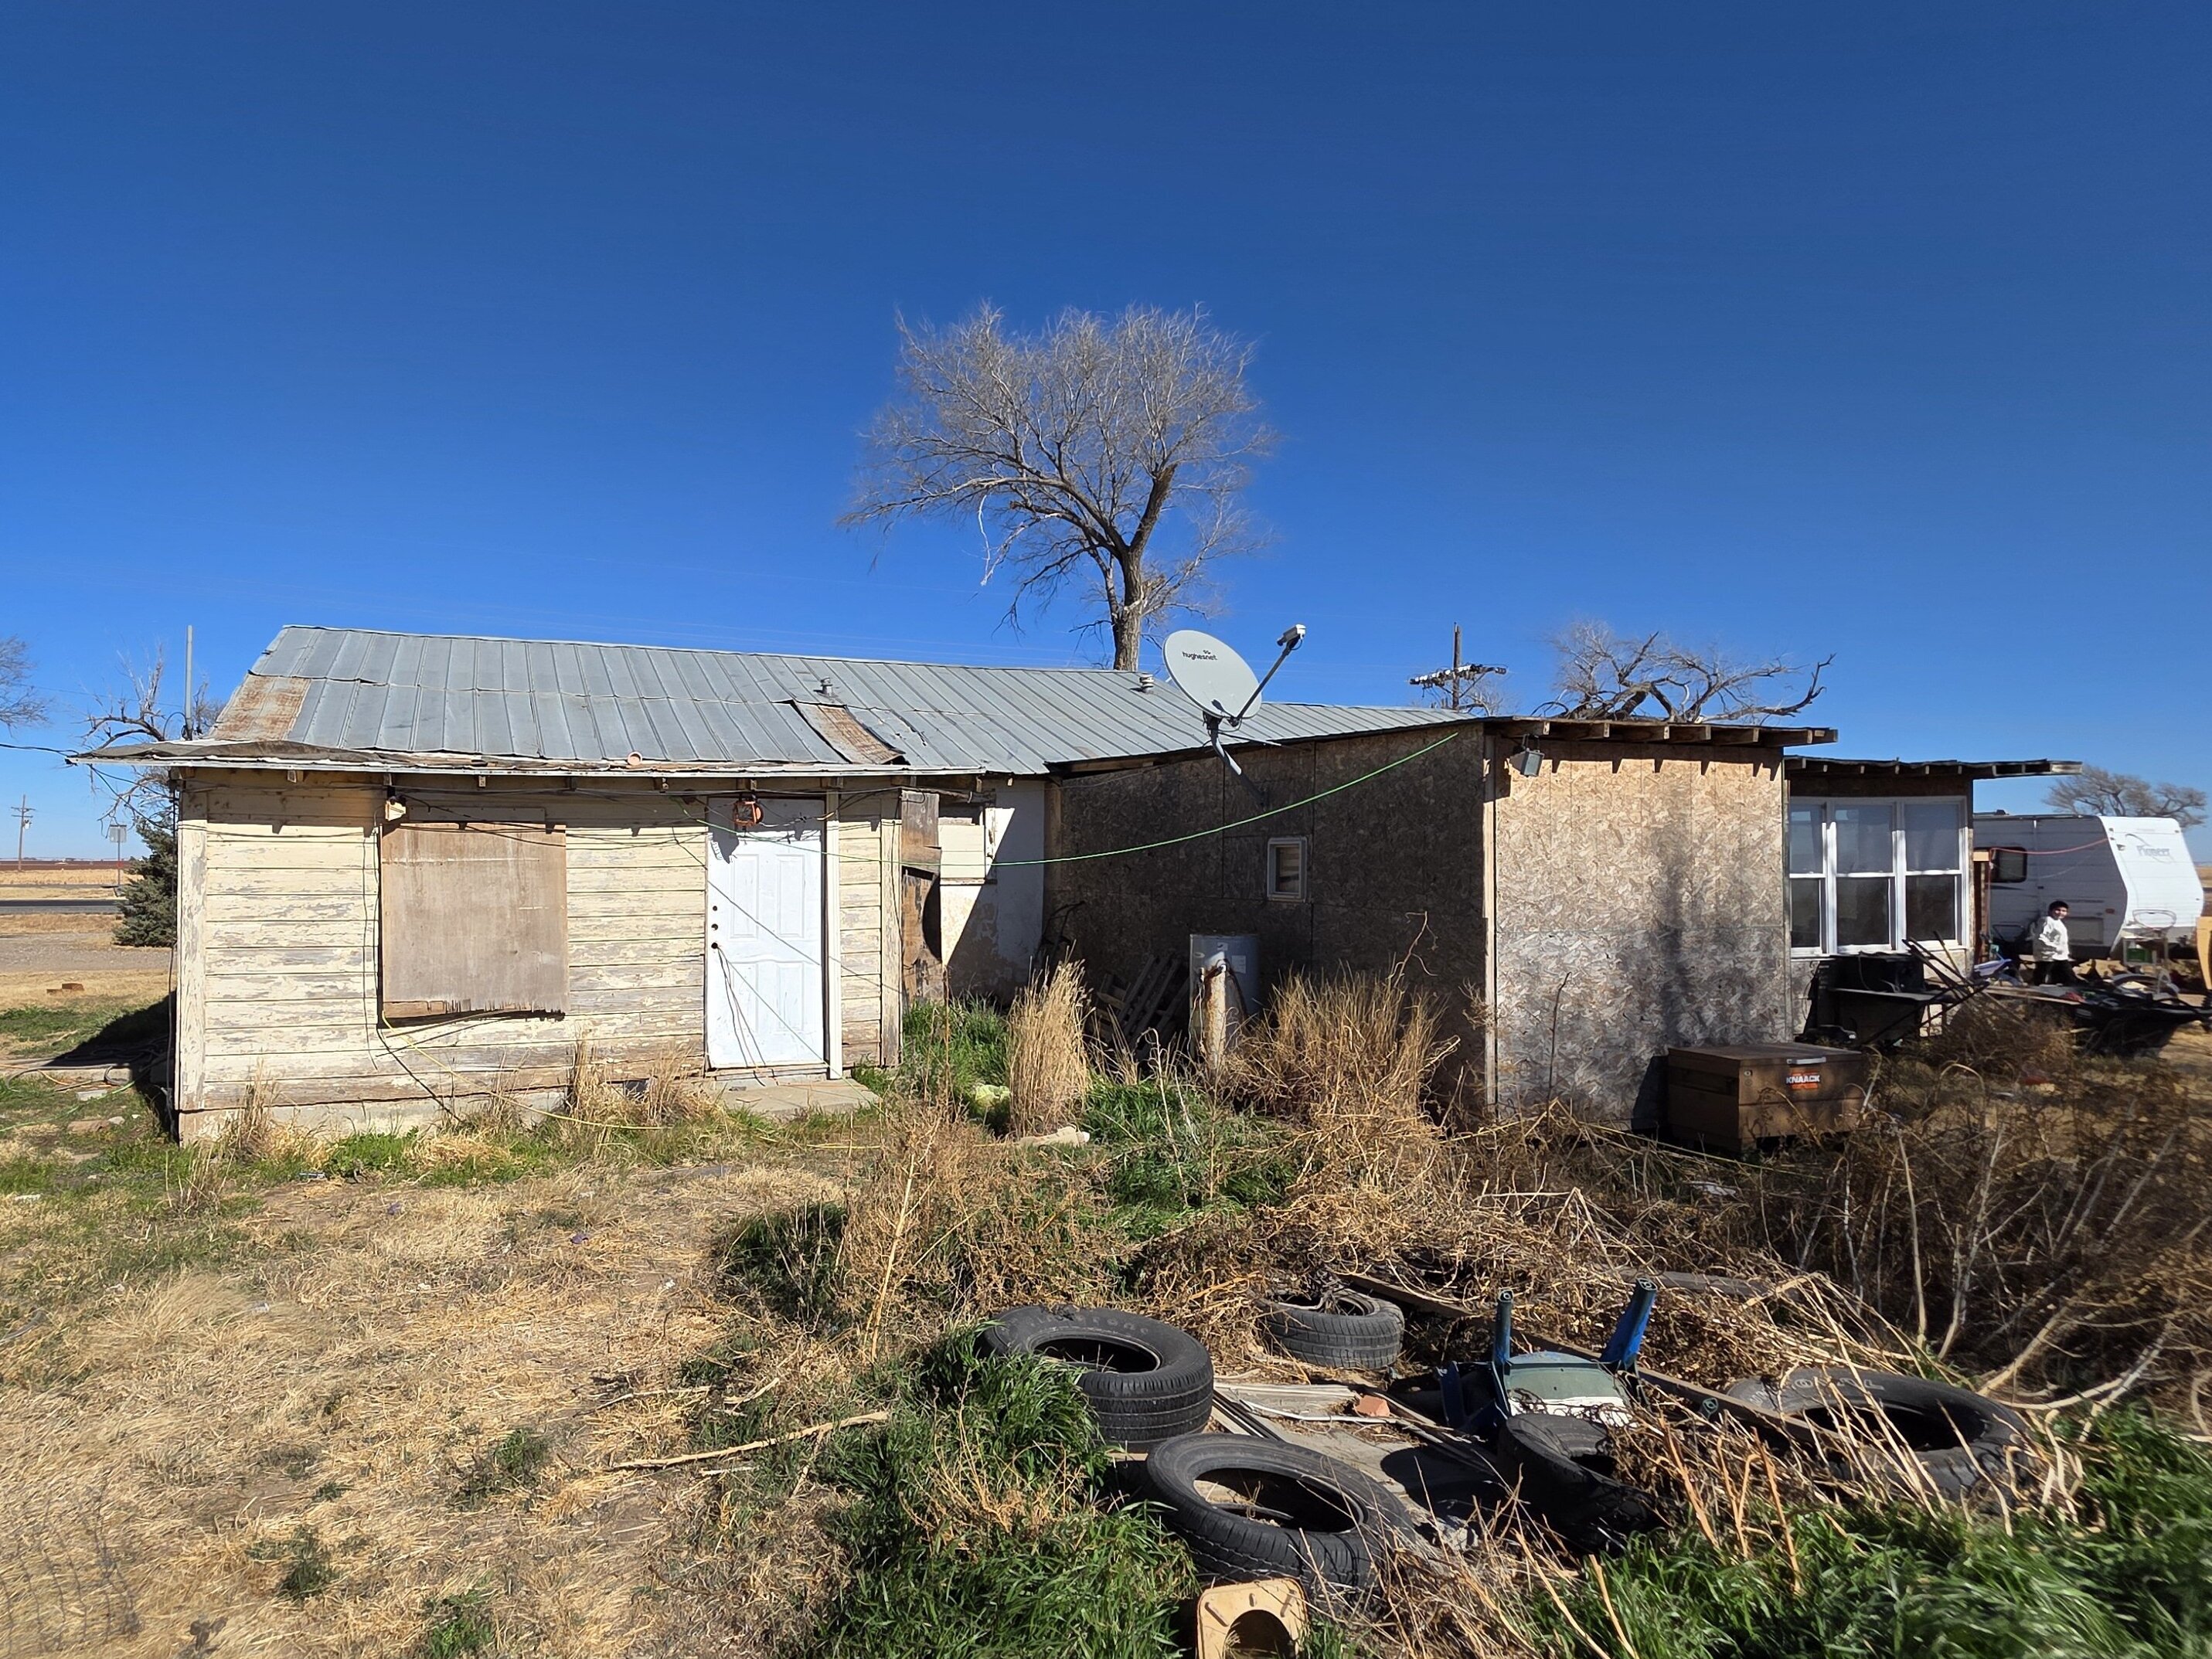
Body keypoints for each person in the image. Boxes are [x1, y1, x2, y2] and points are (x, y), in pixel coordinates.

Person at [2027, 900, 2076, 986]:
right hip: (2048, 955)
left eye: (2064, 911)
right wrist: (2054, 947)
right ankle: (2034, 991)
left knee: (2066, 976)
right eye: (2058, 910)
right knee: (2042, 973)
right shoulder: (2047, 921)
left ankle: (2061, 992)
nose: (2060, 913)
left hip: (2060, 955)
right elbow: (2041, 938)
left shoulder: (2059, 922)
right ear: (2051, 911)